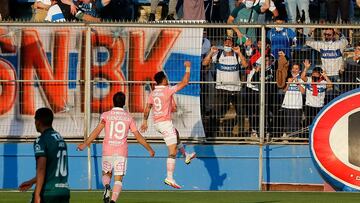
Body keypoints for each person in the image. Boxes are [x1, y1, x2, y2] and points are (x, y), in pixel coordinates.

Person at [77, 92, 155, 203]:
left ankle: (107, 186)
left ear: (113, 101)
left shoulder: (106, 115)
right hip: (121, 152)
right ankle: (113, 201)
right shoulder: (128, 117)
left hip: (107, 150)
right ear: (124, 103)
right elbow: (138, 136)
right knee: (118, 179)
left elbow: (97, 131)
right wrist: (149, 149)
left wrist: (85, 144)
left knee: (106, 173)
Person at [140, 61, 196, 189]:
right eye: (166, 78)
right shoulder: (167, 90)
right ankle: (169, 177)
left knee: (176, 133)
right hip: (165, 123)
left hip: (157, 124)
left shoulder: (153, 93)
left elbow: (148, 107)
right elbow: (185, 82)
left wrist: (144, 121)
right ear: (163, 80)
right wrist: (187, 68)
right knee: (172, 152)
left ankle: (186, 155)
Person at [19, 108, 70, 203]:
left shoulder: (41, 140)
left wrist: (37, 194)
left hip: (48, 192)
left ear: (38, 122)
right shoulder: (60, 138)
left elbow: (41, 169)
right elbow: (50, 171)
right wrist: (31, 182)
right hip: (63, 192)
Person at [202, 36, 248, 136]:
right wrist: (210, 52)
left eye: (229, 42)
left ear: (233, 45)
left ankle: (240, 135)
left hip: (236, 89)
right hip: (222, 89)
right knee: (216, 112)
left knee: (240, 112)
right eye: (226, 42)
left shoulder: (236, 55)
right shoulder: (218, 55)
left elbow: (245, 65)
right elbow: (204, 63)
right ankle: (212, 134)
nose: (227, 44)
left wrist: (239, 52)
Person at [305, 28, 348, 93]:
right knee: (327, 95)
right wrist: (310, 31)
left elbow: (345, 41)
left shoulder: (339, 44)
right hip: (326, 74)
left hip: (337, 74)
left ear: (333, 35)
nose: (327, 36)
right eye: (325, 34)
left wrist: (338, 32)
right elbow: (308, 42)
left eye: (329, 34)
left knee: (337, 93)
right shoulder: (321, 44)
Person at [301, 59, 332, 128]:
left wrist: (325, 76)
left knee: (318, 123)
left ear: (320, 75)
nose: (314, 75)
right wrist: (306, 68)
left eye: (316, 74)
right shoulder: (309, 80)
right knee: (308, 123)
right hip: (309, 106)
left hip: (319, 106)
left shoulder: (323, 82)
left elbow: (330, 85)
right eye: (313, 73)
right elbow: (302, 77)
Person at [280, 53, 305, 137]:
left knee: (296, 121)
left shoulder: (302, 78)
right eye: (294, 68)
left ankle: (295, 136)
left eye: (297, 68)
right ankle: (287, 135)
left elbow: (303, 91)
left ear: (299, 70)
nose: (295, 70)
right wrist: (288, 83)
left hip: (297, 104)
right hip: (287, 104)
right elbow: (284, 90)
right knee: (287, 121)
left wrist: (298, 84)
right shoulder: (287, 77)